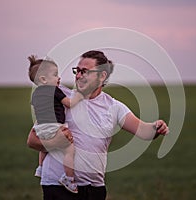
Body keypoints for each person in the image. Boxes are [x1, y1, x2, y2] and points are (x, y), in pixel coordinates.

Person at [27, 50, 169, 200]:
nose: (79, 75)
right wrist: (56, 142)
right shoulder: (60, 98)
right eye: (78, 70)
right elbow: (32, 140)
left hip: (95, 189)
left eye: (85, 71)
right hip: (57, 187)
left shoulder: (114, 107)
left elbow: (144, 131)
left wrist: (157, 127)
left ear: (102, 76)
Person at [28, 55, 83, 193]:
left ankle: (40, 167)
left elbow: (37, 110)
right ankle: (69, 178)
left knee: (44, 147)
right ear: (43, 79)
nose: (58, 78)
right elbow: (69, 104)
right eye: (55, 75)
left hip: (40, 127)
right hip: (55, 126)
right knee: (70, 150)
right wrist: (79, 96)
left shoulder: (35, 94)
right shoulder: (54, 90)